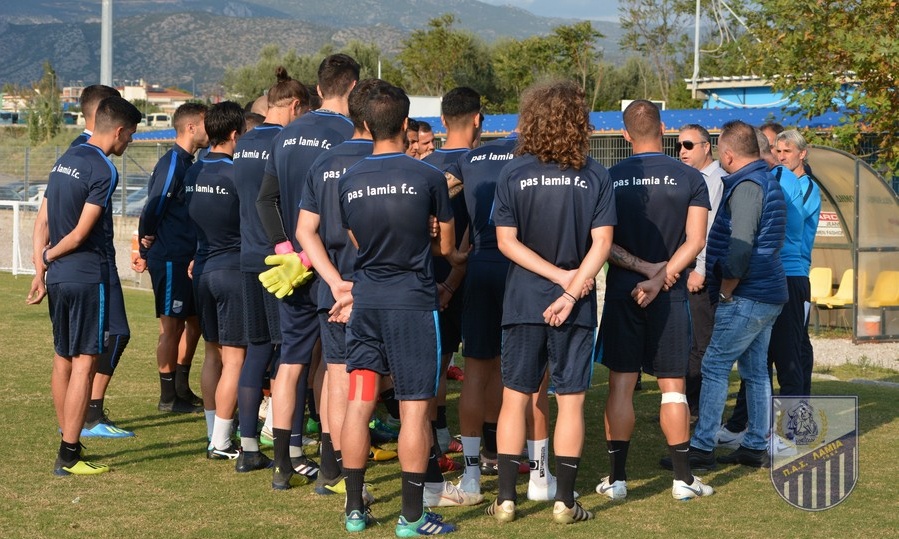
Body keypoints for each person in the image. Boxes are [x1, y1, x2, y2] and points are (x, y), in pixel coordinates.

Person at [337, 81, 465, 535]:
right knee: (414, 408)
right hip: (412, 303)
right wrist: (428, 235)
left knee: (359, 403)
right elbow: (447, 248)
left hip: (367, 301)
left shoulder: (349, 178)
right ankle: (412, 517)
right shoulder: (429, 176)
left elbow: (356, 241)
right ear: (406, 125)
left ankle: (354, 509)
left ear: (366, 125)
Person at [486, 80, 615, 525]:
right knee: (572, 402)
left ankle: (505, 499)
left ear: (532, 119)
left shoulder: (513, 172)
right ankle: (564, 500)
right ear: (581, 122)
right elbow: (602, 245)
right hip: (576, 302)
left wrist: (560, 281)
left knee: (514, 399)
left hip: (524, 300)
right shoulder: (596, 174)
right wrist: (571, 285)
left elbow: (506, 242)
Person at [255, 53, 359, 490]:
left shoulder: (285, 133)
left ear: (317, 90)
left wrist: (290, 251)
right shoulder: (353, 134)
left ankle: (282, 464)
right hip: (335, 263)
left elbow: (266, 201)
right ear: (353, 89)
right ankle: (332, 463)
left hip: (294, 265)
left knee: (292, 362)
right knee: (334, 364)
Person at [600, 100, 711, 501]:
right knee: (673, 387)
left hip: (622, 290)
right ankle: (683, 480)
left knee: (621, 386)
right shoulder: (689, 176)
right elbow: (696, 240)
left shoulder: (607, 177)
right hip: (669, 292)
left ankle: (616, 481)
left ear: (625, 135)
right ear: (663, 130)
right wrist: (662, 275)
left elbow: (603, 243)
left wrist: (645, 271)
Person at [27, 95, 141, 474]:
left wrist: (40, 269)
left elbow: (41, 222)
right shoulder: (104, 170)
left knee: (62, 357)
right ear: (119, 131)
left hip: (58, 279)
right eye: (131, 137)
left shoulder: (65, 160)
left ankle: (67, 435)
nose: (128, 145)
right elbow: (78, 235)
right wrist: (48, 258)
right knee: (84, 363)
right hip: (86, 275)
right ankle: (69, 453)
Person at [680, 119, 788, 471]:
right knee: (755, 370)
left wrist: (726, 291)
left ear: (726, 154)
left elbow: (740, 249)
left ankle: (702, 446)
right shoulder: (766, 181)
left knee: (713, 365)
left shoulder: (747, 187)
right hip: (767, 292)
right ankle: (755, 444)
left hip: (747, 294)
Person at [296, 78, 379, 499]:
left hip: (334, 291)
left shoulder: (323, 163)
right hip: (374, 290)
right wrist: (352, 286)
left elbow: (303, 231)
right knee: (364, 385)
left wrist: (333, 282)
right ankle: (353, 480)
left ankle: (333, 466)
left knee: (336, 376)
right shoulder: (386, 162)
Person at [717, 129, 821, 456]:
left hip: (791, 275)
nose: (781, 155)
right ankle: (741, 424)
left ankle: (793, 434)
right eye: (777, 150)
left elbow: (796, 221)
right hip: (775, 274)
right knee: (757, 357)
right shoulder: (774, 178)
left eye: (786, 151)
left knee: (789, 356)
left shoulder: (793, 183)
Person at [232, 68, 311, 472]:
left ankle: (248, 448)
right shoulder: (285, 143)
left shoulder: (243, 142)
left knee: (256, 350)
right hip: (281, 264)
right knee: (290, 356)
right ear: (295, 106)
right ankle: (293, 448)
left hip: (247, 257)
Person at [419, 86, 487, 505]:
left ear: (443, 122)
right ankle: (492, 449)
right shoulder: (485, 167)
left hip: (433, 284)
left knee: (434, 367)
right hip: (475, 281)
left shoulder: (425, 169)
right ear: (479, 119)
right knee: (484, 368)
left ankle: (435, 438)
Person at [184, 101, 247, 460]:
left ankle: (214, 433)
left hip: (203, 269)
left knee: (212, 354)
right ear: (235, 134)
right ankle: (222, 441)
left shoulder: (193, 172)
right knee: (235, 358)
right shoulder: (236, 173)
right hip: (231, 270)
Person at [138, 102, 209, 415]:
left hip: (187, 258)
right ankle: (168, 397)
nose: (211, 129)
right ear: (191, 127)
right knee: (171, 327)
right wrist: (145, 242)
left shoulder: (189, 163)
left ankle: (181, 386)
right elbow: (152, 206)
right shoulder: (172, 164)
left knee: (192, 324)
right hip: (170, 258)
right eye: (207, 123)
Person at [677, 124, 725, 420]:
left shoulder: (716, 181)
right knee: (686, 340)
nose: (682, 150)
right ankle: (687, 405)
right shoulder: (687, 178)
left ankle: (699, 410)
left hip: (700, 271)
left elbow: (712, 229)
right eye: (680, 145)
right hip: (684, 267)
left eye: (689, 145)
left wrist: (702, 269)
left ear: (707, 147)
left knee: (701, 343)